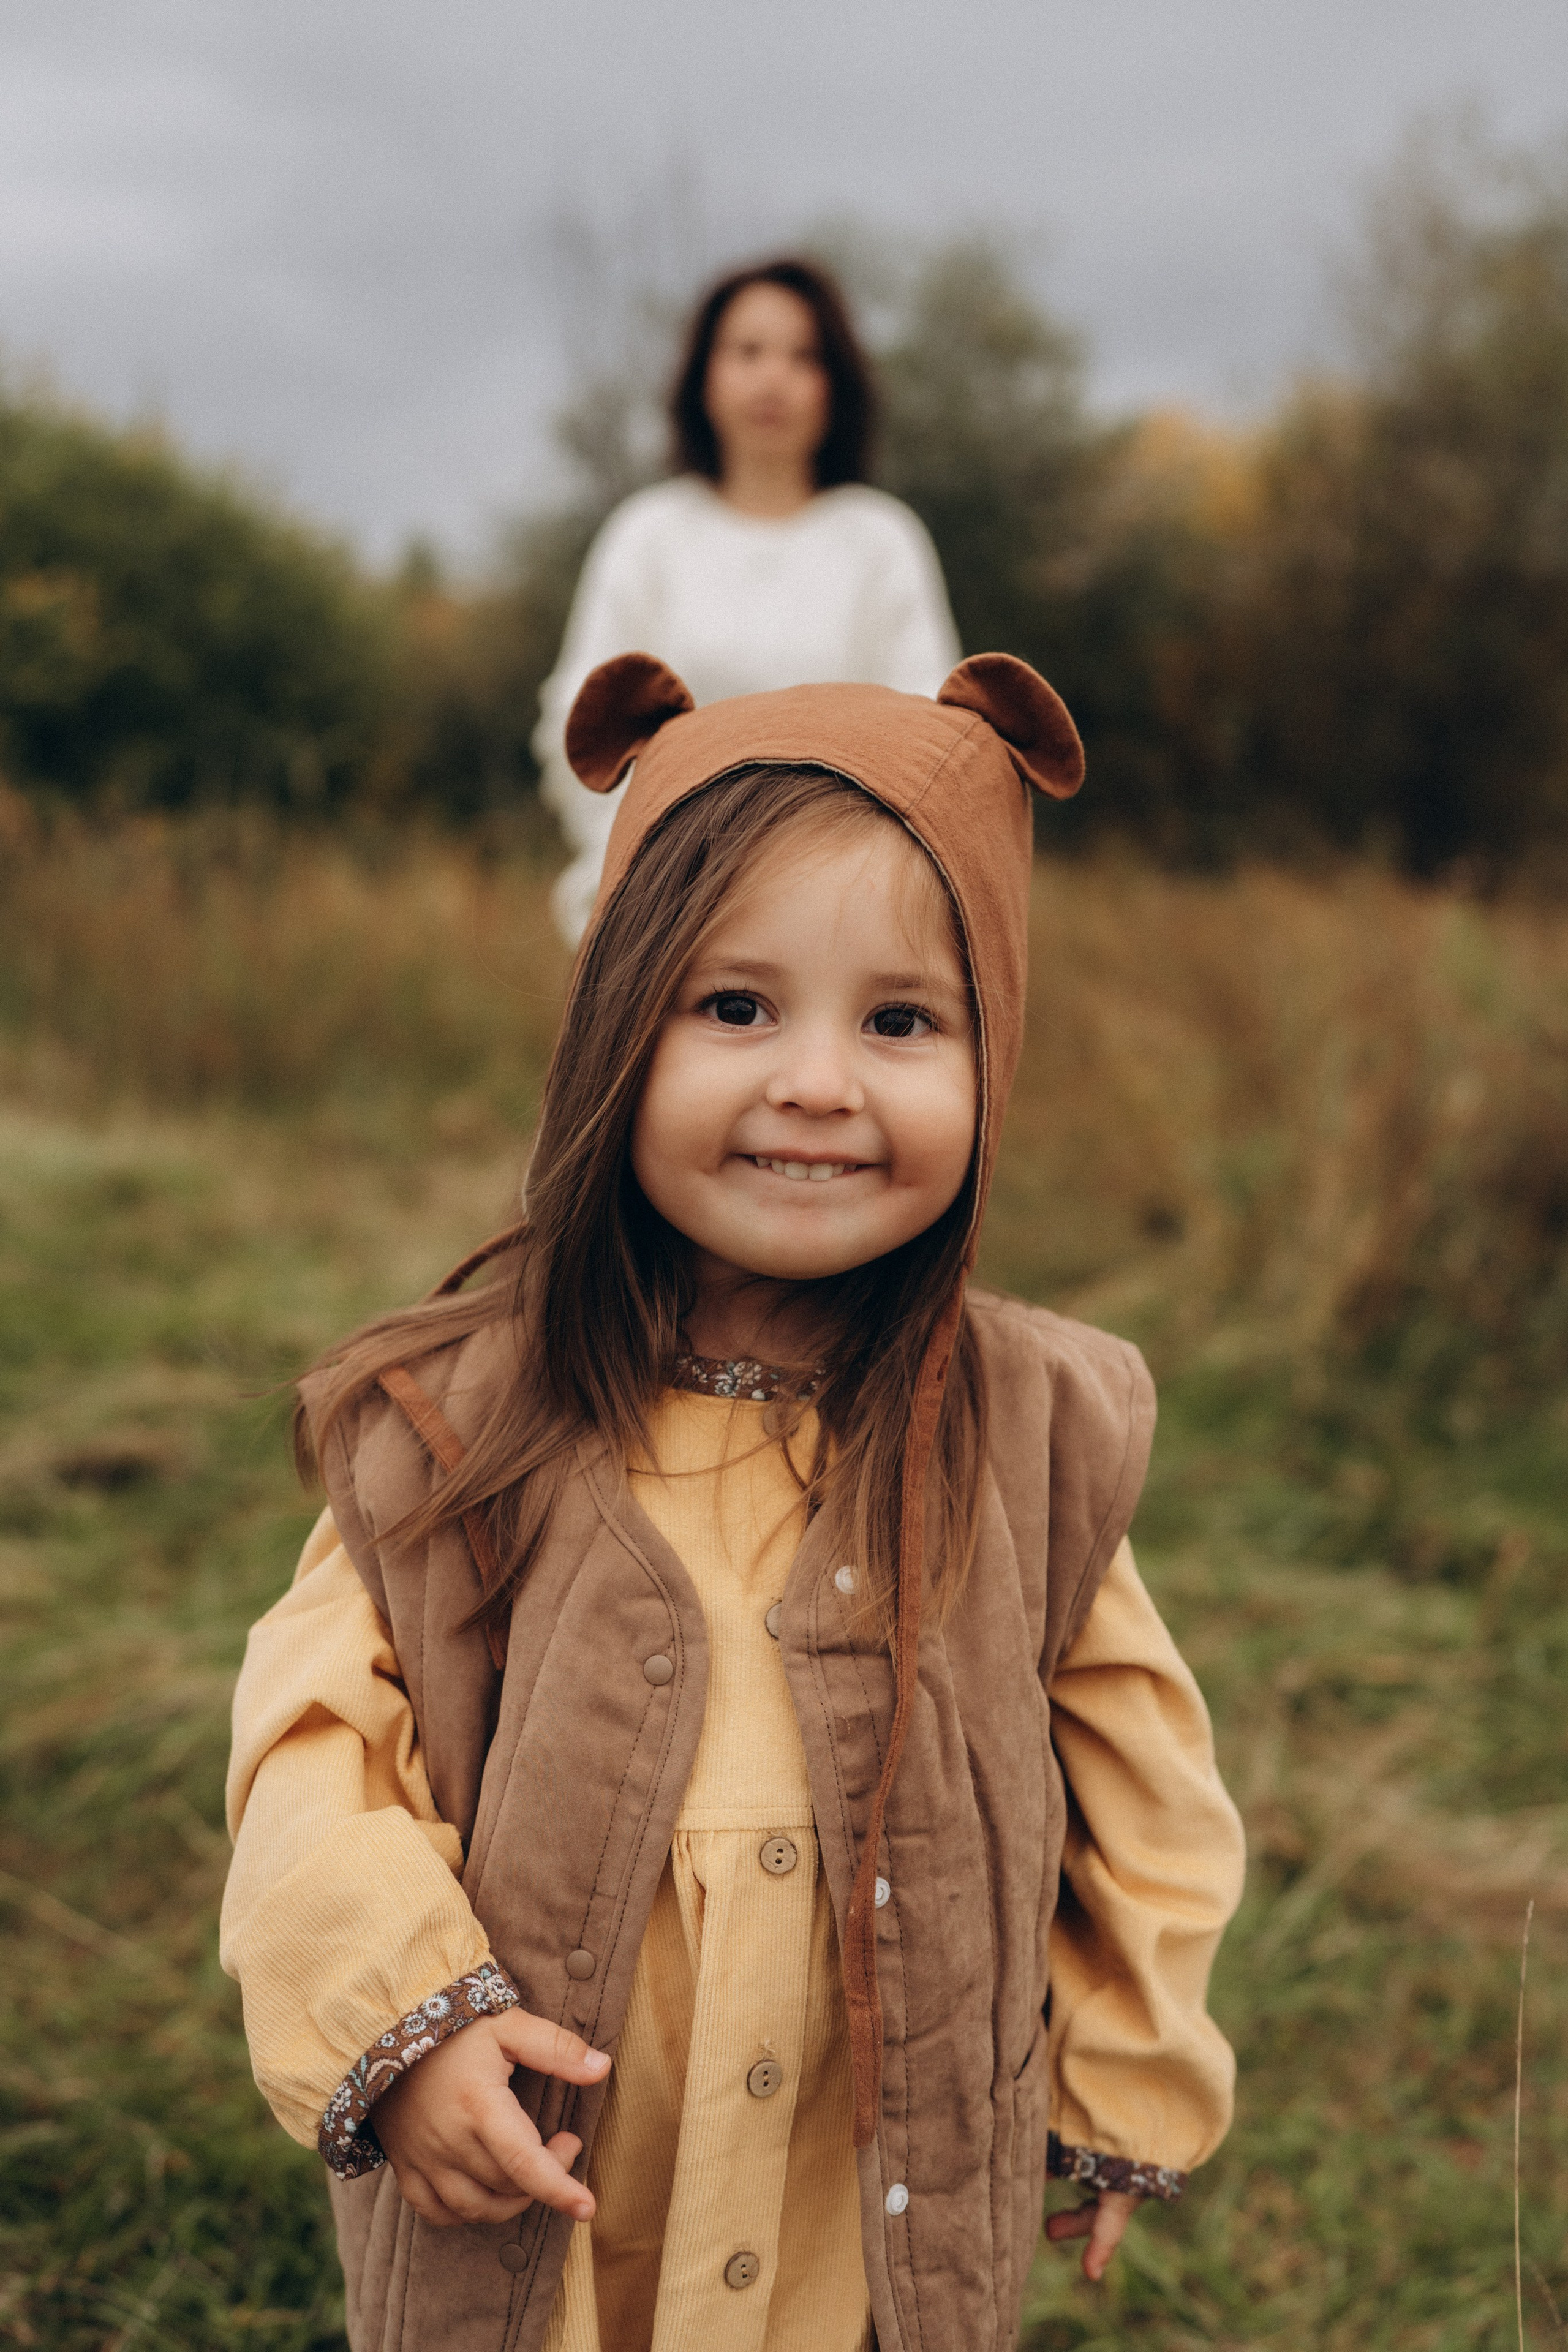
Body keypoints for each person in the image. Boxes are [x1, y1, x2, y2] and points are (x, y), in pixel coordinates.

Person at [221, 647, 1246, 2352]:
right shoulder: (463, 1423)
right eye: (737, 1008)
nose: (820, 1085)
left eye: (902, 1021)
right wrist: (401, 2023)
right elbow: (312, 1743)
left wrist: (1129, 2073)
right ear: (618, 1033)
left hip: (862, 2191)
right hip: (559, 2195)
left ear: (995, 1054)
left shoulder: (1026, 1437)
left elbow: (1147, 1784)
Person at [534, 257, 960, 944]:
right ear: (704, 375)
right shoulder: (649, 534)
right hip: (658, 916)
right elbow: (580, 721)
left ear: (835, 384)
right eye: (748, 351)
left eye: (803, 356)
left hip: (848, 921)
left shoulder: (881, 539)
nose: (773, 378)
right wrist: (664, 870)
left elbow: (931, 737)